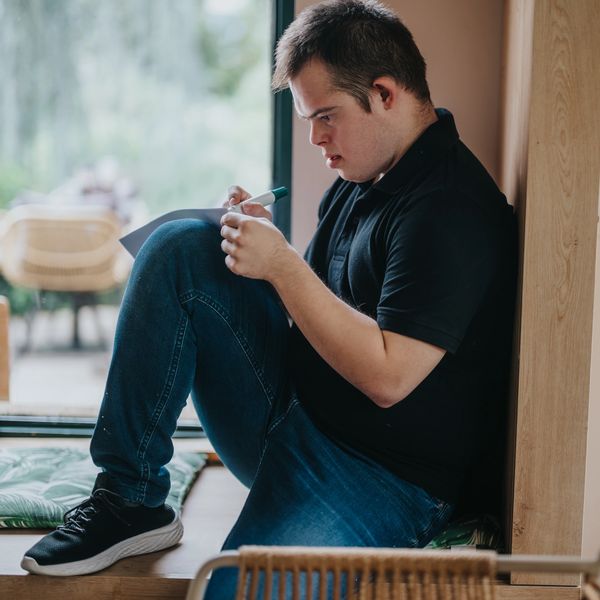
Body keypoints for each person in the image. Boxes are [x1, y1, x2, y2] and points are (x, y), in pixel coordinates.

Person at [21, 0, 516, 596]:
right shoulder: (368, 172)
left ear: (385, 93)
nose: (315, 139)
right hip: (293, 410)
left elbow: (390, 376)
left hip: (381, 476)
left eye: (326, 116)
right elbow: (314, 307)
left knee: (228, 590)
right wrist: (256, 257)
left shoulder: (449, 207)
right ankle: (129, 498)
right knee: (183, 245)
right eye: (307, 118)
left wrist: (281, 266)